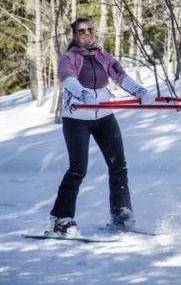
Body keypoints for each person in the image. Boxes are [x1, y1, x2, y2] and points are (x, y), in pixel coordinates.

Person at [49, 17, 155, 236]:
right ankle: (61, 219)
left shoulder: (104, 57)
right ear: (75, 35)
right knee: (78, 169)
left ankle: (121, 214)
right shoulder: (68, 58)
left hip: (104, 116)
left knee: (119, 166)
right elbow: (68, 79)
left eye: (89, 30)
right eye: (81, 31)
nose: (86, 33)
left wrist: (140, 91)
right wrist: (83, 93)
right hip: (77, 117)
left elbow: (120, 76)